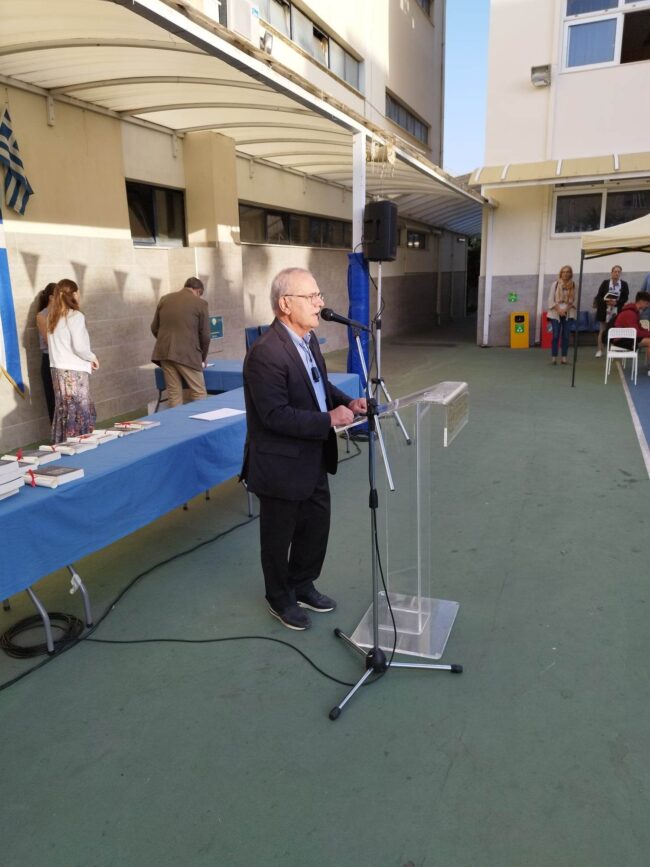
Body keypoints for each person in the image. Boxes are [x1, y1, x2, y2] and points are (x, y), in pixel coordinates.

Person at [241, 267, 367, 631]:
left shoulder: (308, 340)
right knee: (278, 536)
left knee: (315, 527)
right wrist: (329, 419)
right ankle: (279, 597)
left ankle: (302, 584)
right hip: (280, 465)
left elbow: (318, 386)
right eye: (311, 297)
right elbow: (274, 415)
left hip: (313, 456)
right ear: (285, 304)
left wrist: (347, 402)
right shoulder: (265, 353)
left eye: (319, 295)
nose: (319, 303)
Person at [47, 279, 99, 444]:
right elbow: (79, 346)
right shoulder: (76, 316)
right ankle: (81, 443)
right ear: (74, 294)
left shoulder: (53, 317)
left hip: (58, 369)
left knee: (64, 409)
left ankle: (63, 442)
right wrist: (92, 357)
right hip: (74, 371)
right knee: (79, 408)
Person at [150, 276, 210, 408]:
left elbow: (154, 327)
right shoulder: (200, 303)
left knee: (174, 393)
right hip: (187, 354)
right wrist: (202, 357)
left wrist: (166, 342)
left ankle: (176, 421)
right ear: (198, 291)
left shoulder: (165, 299)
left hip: (164, 353)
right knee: (199, 392)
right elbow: (205, 335)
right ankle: (202, 421)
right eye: (200, 294)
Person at [593, 265, 628, 357]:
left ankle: (613, 348)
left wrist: (616, 302)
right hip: (604, 310)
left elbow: (625, 298)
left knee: (615, 330)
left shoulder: (624, 284)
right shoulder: (605, 283)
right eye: (615, 271)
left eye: (619, 272)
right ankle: (600, 350)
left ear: (620, 273)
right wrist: (607, 301)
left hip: (617, 310)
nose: (617, 273)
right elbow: (599, 296)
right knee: (602, 330)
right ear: (611, 273)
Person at [612, 290, 650, 373]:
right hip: (621, 340)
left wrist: (648, 333)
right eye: (647, 303)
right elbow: (637, 333)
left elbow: (639, 329)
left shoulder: (635, 311)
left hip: (628, 336)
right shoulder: (630, 313)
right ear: (641, 302)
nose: (648, 306)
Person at [546, 265, 577, 365]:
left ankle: (564, 357)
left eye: (568, 272)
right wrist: (559, 310)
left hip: (568, 313)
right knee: (555, 335)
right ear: (561, 273)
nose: (565, 274)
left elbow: (575, 300)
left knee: (566, 336)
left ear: (570, 274)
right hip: (555, 313)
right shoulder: (555, 284)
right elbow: (550, 300)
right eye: (563, 272)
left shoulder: (574, 285)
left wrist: (565, 310)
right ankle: (554, 357)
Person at [36, 282, 56, 422]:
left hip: (63, 359)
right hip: (50, 359)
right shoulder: (42, 315)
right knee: (53, 400)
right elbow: (50, 342)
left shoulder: (64, 313)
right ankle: (57, 433)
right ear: (51, 297)